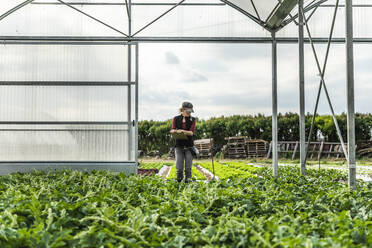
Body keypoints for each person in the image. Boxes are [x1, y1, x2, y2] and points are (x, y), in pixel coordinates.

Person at [170, 102, 196, 183]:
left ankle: (189, 185)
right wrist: (176, 131)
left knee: (188, 168)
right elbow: (172, 130)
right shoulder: (176, 118)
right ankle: (179, 184)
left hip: (189, 146)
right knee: (179, 168)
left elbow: (191, 133)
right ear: (184, 109)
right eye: (188, 110)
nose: (189, 112)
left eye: (191, 111)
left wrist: (182, 131)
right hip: (179, 146)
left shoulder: (193, 120)